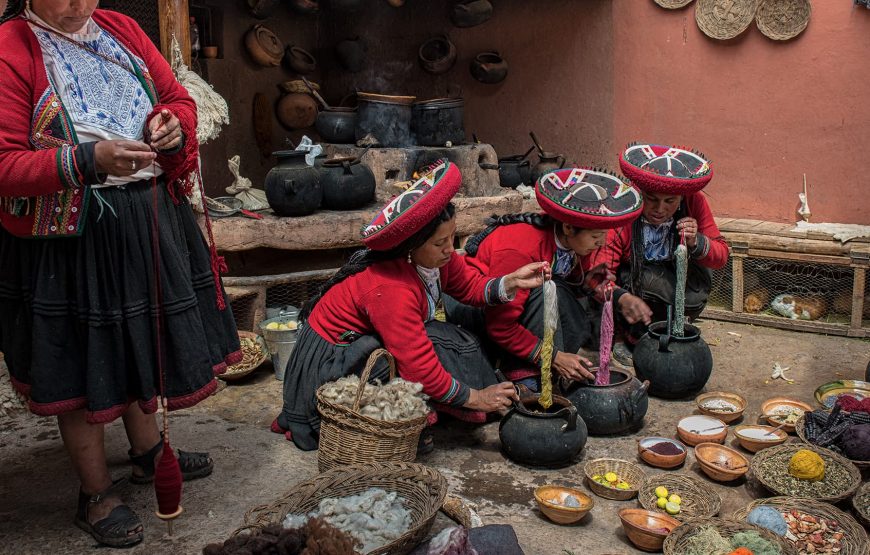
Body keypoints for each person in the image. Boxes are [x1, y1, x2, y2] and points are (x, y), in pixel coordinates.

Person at [0, 0, 240, 548]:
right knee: (87, 364)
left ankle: (147, 451)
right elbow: (3, 162)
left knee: (138, 339)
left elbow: (176, 97)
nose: (79, 3)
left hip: (145, 217)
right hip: (70, 238)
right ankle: (95, 492)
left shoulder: (120, 28)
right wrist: (89, 160)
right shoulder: (11, 48)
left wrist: (173, 126)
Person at [272, 160, 551, 451]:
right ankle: (393, 423)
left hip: (360, 345)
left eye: (452, 238)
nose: (449, 249)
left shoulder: (436, 261)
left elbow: (469, 286)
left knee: (449, 337)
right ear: (411, 247)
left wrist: (511, 282)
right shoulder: (391, 287)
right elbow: (419, 366)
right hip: (331, 363)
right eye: (439, 243)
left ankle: (443, 405)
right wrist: (477, 397)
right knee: (425, 347)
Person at [458, 167, 644, 390]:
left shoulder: (575, 243)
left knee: (574, 298)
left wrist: (614, 294)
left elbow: (581, 278)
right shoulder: (520, 251)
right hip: (478, 310)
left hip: (521, 307)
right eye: (596, 236)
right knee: (548, 290)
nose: (602, 243)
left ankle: (553, 366)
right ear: (568, 227)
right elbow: (500, 326)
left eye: (604, 235)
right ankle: (524, 374)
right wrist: (554, 357)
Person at [590, 143, 729, 364]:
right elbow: (597, 274)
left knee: (695, 287)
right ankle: (620, 338)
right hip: (633, 282)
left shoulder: (695, 200)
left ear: (682, 198)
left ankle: (663, 330)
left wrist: (696, 241)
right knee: (626, 288)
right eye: (651, 199)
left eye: (670, 201)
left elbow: (721, 256)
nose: (660, 209)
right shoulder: (625, 205)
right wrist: (622, 297)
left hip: (671, 279)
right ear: (640, 192)